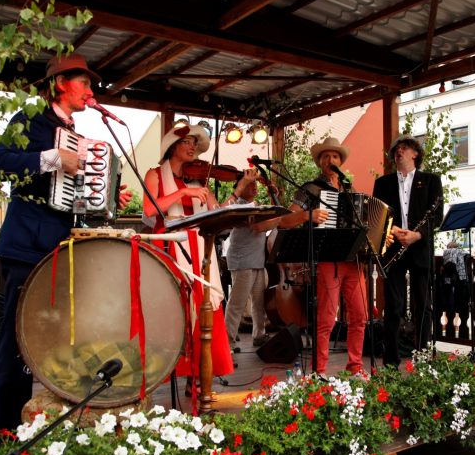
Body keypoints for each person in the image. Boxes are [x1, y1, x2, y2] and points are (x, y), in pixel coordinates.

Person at [0, 52, 132, 441]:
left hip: (59, 248)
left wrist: (111, 197)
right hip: (26, 244)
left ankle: (36, 428)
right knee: (15, 344)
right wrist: (52, 157)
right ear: (62, 83)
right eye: (84, 83)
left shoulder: (79, 137)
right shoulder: (31, 118)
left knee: (48, 344)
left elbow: (77, 198)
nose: (90, 91)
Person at [143, 124, 257, 396]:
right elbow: (148, 209)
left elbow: (218, 213)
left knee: (204, 311)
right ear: (173, 146)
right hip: (169, 248)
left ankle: (197, 379)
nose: (193, 147)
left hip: (199, 249)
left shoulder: (200, 182)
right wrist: (182, 193)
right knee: (177, 311)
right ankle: (170, 371)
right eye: (188, 142)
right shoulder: (155, 174)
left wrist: (239, 190)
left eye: (195, 142)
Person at [278, 136, 367, 377]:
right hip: (328, 259)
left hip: (353, 261)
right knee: (327, 317)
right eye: (325, 156)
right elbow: (285, 220)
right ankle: (320, 371)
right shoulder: (311, 189)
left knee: (360, 316)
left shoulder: (350, 191)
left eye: (335, 156)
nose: (330, 159)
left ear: (340, 161)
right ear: (319, 162)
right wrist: (308, 215)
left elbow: (364, 222)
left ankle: (355, 367)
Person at [372, 135, 443, 367]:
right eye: (396, 149)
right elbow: (377, 215)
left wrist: (417, 234)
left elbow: (436, 216)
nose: (398, 152)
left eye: (404, 148)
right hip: (393, 248)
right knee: (393, 306)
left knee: (423, 306)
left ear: (415, 154)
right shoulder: (383, 183)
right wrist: (391, 231)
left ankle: (422, 357)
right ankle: (391, 361)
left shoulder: (431, 180)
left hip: (420, 247)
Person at [224, 178, 279, 353]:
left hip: (257, 260)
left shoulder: (255, 204)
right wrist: (284, 218)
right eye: (250, 184)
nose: (254, 187)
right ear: (240, 187)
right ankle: (227, 341)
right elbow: (258, 226)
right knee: (237, 304)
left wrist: (273, 197)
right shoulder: (239, 206)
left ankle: (259, 335)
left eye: (255, 184)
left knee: (259, 302)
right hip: (242, 261)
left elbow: (269, 215)